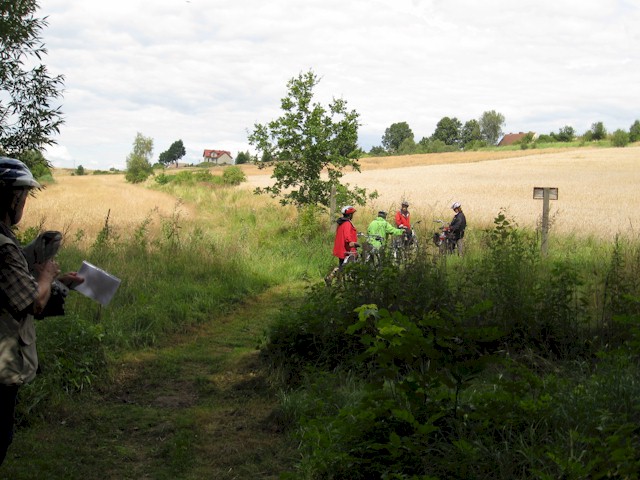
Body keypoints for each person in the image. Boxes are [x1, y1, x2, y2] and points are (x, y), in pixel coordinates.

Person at [0, 157, 83, 465]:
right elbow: (31, 302)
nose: (23, 202)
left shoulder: (5, 241)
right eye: (22, 196)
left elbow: (15, 293)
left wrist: (58, 284)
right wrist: (47, 277)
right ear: (10, 198)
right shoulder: (3, 248)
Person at [325, 205, 359, 286]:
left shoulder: (341, 222)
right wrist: (352, 242)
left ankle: (338, 282)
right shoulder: (347, 223)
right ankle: (331, 277)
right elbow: (347, 235)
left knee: (342, 264)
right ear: (350, 215)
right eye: (352, 214)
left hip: (341, 247)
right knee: (345, 266)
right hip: (347, 248)